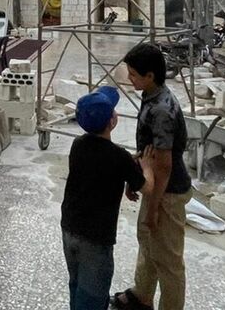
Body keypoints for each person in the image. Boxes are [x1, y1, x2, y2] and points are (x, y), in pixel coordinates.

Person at [113, 44, 192, 310]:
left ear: (150, 75)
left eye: (133, 74)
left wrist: (155, 207)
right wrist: (135, 178)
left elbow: (165, 164)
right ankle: (142, 294)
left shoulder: (161, 110)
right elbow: (149, 153)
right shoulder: (151, 96)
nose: (129, 78)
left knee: (168, 260)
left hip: (167, 192)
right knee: (148, 244)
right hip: (155, 186)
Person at [61, 87, 154, 310]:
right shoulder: (118, 157)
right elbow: (147, 188)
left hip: (70, 229)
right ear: (112, 121)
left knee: (76, 283)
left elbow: (100, 169)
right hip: (96, 239)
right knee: (93, 295)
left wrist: (127, 170)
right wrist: (147, 167)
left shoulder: (78, 145)